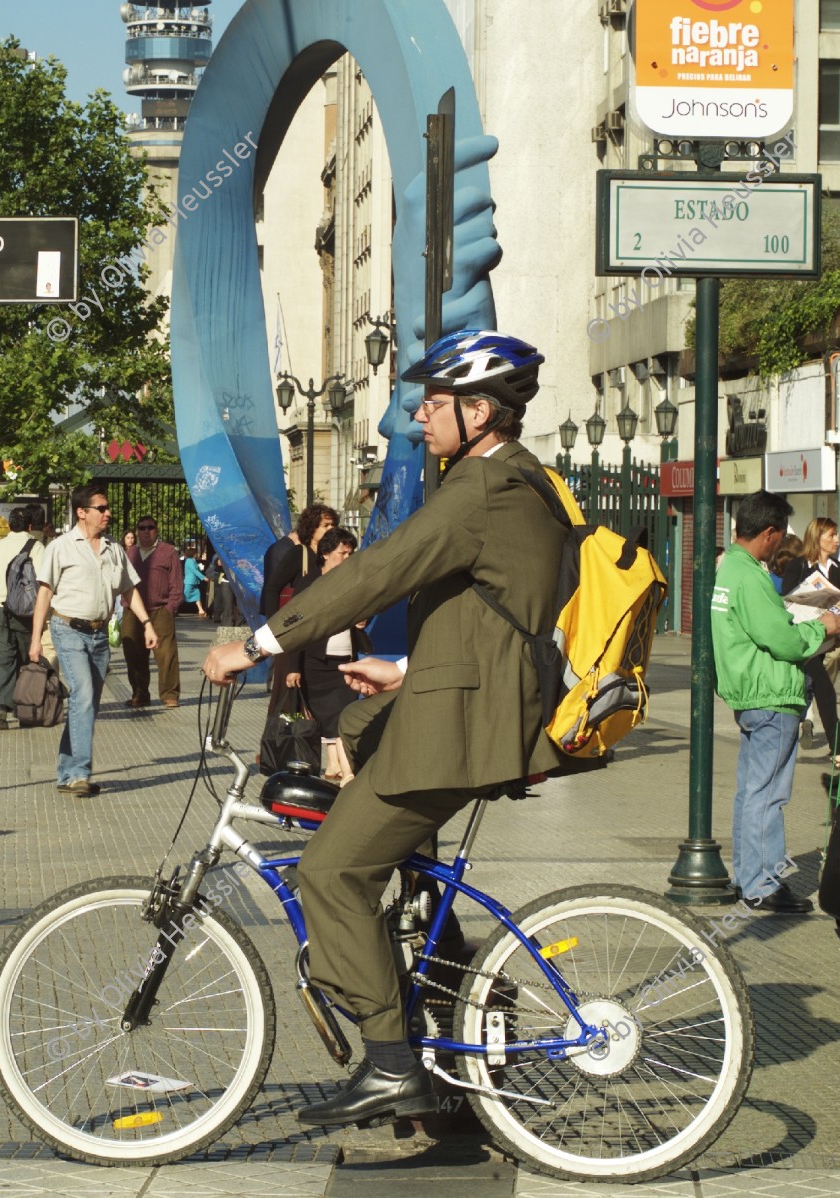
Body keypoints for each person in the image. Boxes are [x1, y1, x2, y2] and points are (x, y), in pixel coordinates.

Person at [203, 328, 567, 1128]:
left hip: (463, 723)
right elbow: (497, 611)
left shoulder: (480, 488)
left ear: (480, 411)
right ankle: (446, 992)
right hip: (456, 699)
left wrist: (259, 643)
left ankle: (392, 1063)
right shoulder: (518, 482)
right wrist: (403, 671)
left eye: (433, 404)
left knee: (330, 874)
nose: (419, 419)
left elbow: (374, 572)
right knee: (362, 743)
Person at [712, 491, 840, 914]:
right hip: (772, 693)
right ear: (768, 534)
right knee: (768, 793)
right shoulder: (749, 574)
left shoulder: (730, 568)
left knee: (751, 792)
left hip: (752, 692)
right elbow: (784, 641)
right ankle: (762, 882)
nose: (780, 542)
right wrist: (824, 626)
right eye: (779, 535)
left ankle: (748, 876)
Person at [29, 484, 160, 796]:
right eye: (101, 508)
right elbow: (44, 594)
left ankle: (66, 773)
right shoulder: (60, 546)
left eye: (107, 507)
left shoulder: (114, 548)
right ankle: (81, 774)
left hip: (99, 635)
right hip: (68, 629)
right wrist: (36, 639)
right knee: (83, 695)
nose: (107, 513)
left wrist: (147, 624)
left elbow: (129, 589)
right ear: (81, 512)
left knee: (85, 704)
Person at [295, 528, 365, 763]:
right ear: (325, 553)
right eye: (342, 553)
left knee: (343, 714)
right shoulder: (309, 583)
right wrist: (293, 667)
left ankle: (342, 769)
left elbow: (368, 606)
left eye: (350, 553)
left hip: (346, 657)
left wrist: (364, 619)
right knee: (325, 717)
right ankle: (336, 766)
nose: (347, 558)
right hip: (316, 659)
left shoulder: (354, 580)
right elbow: (294, 628)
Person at [781, 517, 840, 758]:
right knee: (823, 688)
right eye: (830, 535)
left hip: (825, 640)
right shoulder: (798, 566)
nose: (836, 540)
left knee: (812, 689)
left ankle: (828, 743)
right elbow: (786, 601)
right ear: (816, 537)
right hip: (803, 637)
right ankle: (838, 746)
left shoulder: (837, 568)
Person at [0, 506, 45, 730]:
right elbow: (44, 582)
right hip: (26, 613)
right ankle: (24, 708)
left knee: (1, 660)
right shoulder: (36, 547)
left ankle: (1, 710)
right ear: (30, 526)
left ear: (10, 525)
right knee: (26, 660)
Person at [122, 516, 184, 708]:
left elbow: (176, 583)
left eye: (150, 527)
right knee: (133, 653)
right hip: (132, 611)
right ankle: (140, 693)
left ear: (156, 530)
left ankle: (169, 694)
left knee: (166, 655)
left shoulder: (168, 552)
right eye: (142, 528)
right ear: (137, 531)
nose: (146, 531)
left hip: (160, 610)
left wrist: (170, 608)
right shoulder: (130, 553)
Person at [260, 504, 339, 618]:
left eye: (333, 525)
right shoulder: (299, 553)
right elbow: (273, 587)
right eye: (326, 525)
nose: (331, 529)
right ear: (312, 528)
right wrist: (273, 625)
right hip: (300, 622)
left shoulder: (334, 557)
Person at [183, 543, 206, 617]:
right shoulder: (190, 561)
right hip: (189, 581)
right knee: (184, 595)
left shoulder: (192, 560)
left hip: (193, 581)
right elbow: (194, 571)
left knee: (197, 595)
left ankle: (201, 610)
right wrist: (203, 577)